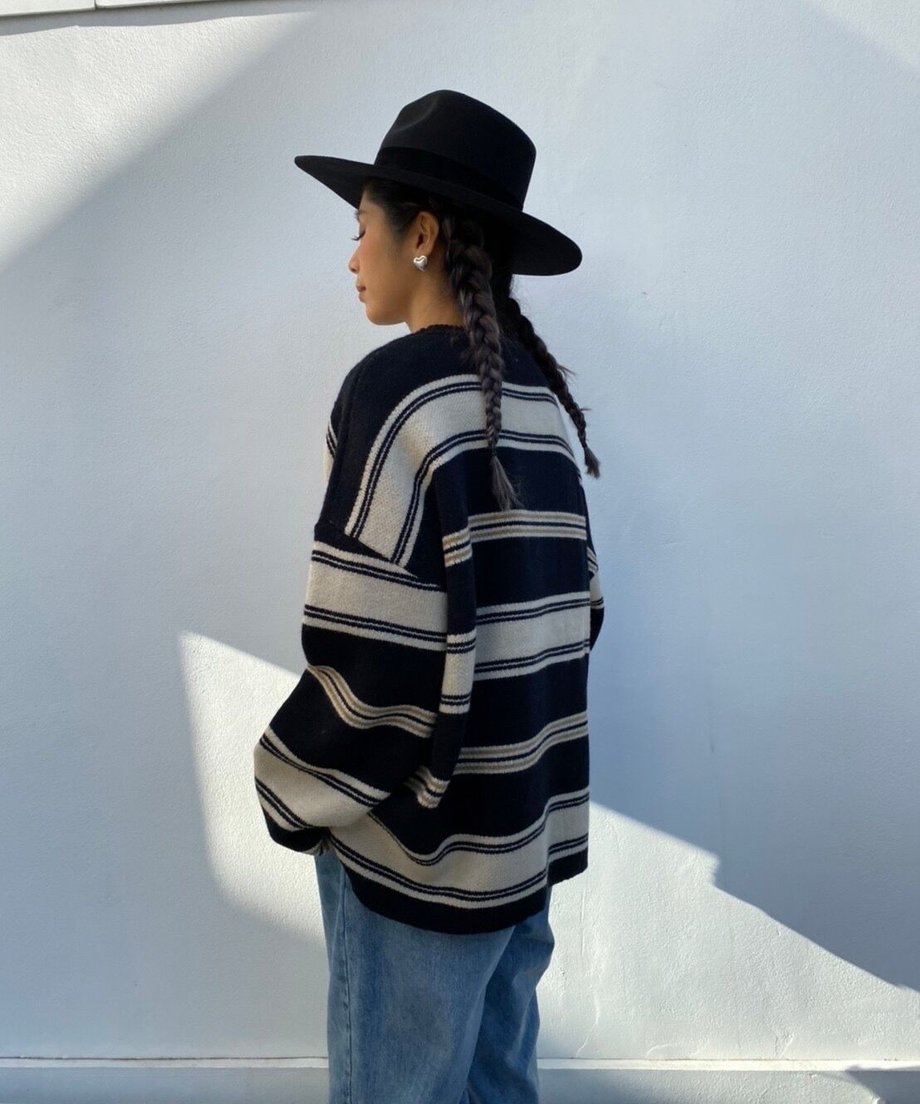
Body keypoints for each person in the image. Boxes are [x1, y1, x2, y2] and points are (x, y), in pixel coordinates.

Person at [253, 89, 605, 1104]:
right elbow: (577, 615)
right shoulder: (538, 402)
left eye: (361, 227)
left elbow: (376, 655)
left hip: (420, 859)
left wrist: (290, 783)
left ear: (421, 235)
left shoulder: (393, 392)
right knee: (499, 1086)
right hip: (520, 845)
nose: (351, 257)